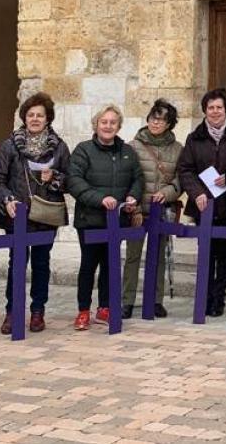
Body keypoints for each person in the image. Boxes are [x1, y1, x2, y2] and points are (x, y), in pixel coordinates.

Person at [0, 91, 71, 335]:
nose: (35, 119)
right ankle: (12, 311)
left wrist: (54, 177)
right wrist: (7, 200)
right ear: (23, 117)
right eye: (30, 114)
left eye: (40, 115)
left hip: (45, 214)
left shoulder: (59, 147)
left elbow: (71, 180)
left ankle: (38, 311)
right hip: (16, 215)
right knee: (17, 262)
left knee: (41, 263)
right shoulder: (9, 145)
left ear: (48, 119)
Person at [66, 104, 143, 330]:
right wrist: (100, 198)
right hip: (90, 219)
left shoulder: (128, 152)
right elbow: (75, 181)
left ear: (119, 126)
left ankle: (105, 308)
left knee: (110, 265)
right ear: (96, 125)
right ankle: (83, 311)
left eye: (113, 122)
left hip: (116, 221)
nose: (108, 126)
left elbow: (137, 179)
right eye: (104, 122)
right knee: (89, 265)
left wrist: (132, 198)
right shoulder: (83, 150)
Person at [177, 88, 226, 317]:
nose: (215, 111)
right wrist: (196, 193)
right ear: (205, 111)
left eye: (219, 107)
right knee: (206, 252)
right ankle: (205, 296)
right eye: (210, 108)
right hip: (203, 205)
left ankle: (219, 297)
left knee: (225, 253)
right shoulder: (194, 138)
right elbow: (185, 169)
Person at [123, 98, 183, 319]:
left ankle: (156, 299)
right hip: (137, 211)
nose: (156, 123)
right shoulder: (132, 146)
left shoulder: (177, 149)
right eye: (153, 118)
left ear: (169, 124)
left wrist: (167, 193)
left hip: (161, 211)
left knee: (158, 257)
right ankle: (127, 300)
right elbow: (126, 178)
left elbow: (180, 180)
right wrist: (134, 206)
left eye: (161, 120)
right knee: (132, 256)